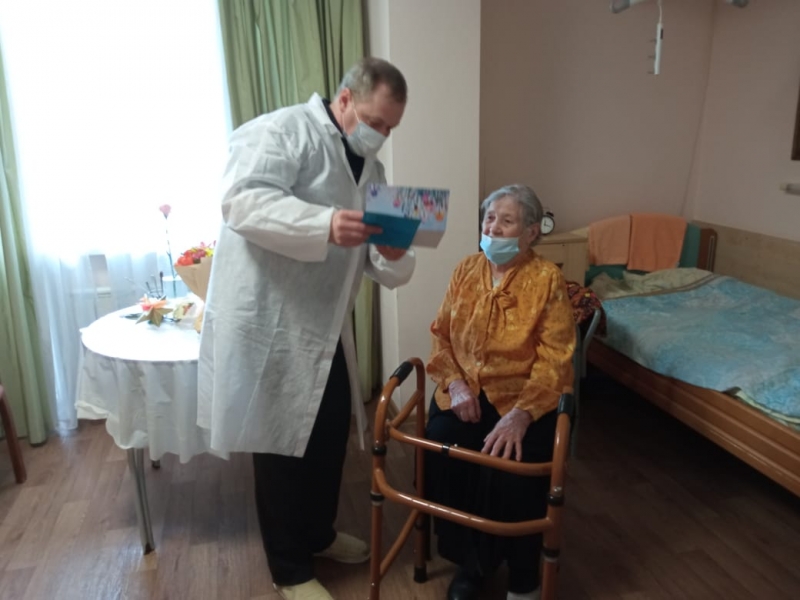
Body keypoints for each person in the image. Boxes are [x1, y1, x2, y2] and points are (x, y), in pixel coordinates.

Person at [197, 58, 415, 600]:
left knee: (329, 434)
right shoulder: (282, 132)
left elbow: (380, 262)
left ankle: (318, 533)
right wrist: (323, 223)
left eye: (390, 127)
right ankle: (289, 569)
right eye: (375, 121)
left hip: (325, 327)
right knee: (279, 445)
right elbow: (241, 200)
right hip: (271, 322)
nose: (380, 135)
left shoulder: (373, 173)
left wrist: (392, 254)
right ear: (344, 100)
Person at [425, 184, 575, 600]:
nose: (492, 227)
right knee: (445, 444)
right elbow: (440, 335)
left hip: (525, 398)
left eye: (506, 221)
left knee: (512, 462)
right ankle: (471, 565)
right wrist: (455, 385)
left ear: (531, 232)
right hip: (465, 393)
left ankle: (523, 572)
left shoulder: (546, 279)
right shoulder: (465, 270)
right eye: (489, 218)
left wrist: (521, 414)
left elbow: (556, 357)